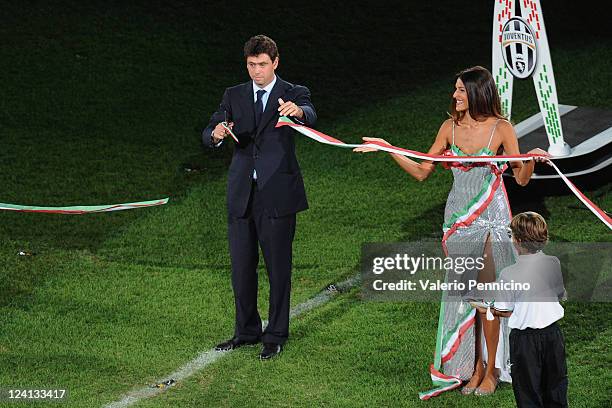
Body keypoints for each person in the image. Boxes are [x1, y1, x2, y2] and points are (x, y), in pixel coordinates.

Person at [353, 66, 548, 396]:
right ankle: (471, 368)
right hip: (458, 220)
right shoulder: (449, 128)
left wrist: (530, 159)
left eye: (460, 90)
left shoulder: (501, 129)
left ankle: (491, 369)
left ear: (476, 93)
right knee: (468, 297)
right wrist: (388, 148)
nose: (455, 95)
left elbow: (522, 178)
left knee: (488, 294)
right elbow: (421, 171)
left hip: (492, 218)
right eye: (455, 89)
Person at [202, 35, 317, 360]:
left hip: (278, 195)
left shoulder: (292, 92)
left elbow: (310, 112)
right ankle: (247, 331)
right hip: (242, 195)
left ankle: (276, 334)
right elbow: (212, 126)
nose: (257, 71)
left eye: (262, 65)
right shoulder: (234, 94)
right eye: (252, 65)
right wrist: (216, 133)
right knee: (241, 268)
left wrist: (300, 112)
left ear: (275, 62)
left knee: (278, 268)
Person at [475, 212, 568, 407]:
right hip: (553, 335)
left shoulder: (510, 274)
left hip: (525, 341)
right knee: (556, 386)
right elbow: (559, 294)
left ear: (517, 241)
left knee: (527, 391)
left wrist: (484, 308)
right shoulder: (553, 263)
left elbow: (504, 310)